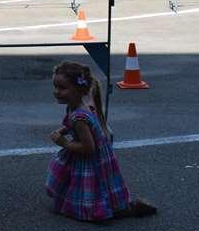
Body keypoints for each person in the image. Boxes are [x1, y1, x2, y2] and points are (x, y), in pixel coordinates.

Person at [46, 61, 156, 222]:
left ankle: (95, 210)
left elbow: (88, 148)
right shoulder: (77, 107)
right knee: (99, 183)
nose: (56, 92)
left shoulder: (79, 117)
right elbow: (73, 124)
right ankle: (113, 206)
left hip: (91, 157)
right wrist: (63, 130)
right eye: (55, 87)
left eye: (62, 88)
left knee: (92, 184)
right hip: (100, 154)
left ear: (79, 90)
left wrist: (64, 143)